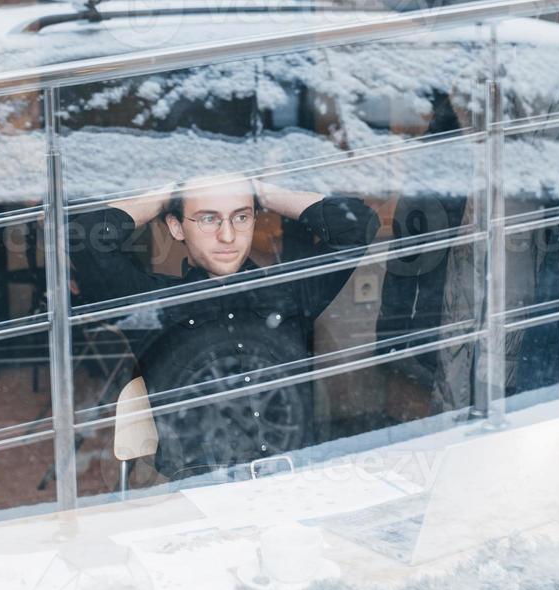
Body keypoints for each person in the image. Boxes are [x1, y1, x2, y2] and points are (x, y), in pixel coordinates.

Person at [71, 174, 379, 480]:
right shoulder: (157, 306)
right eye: (208, 219)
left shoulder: (291, 292)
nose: (228, 236)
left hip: (294, 483)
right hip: (205, 497)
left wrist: (264, 193)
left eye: (241, 217)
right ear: (177, 227)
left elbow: (356, 225)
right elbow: (83, 238)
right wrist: (164, 196)